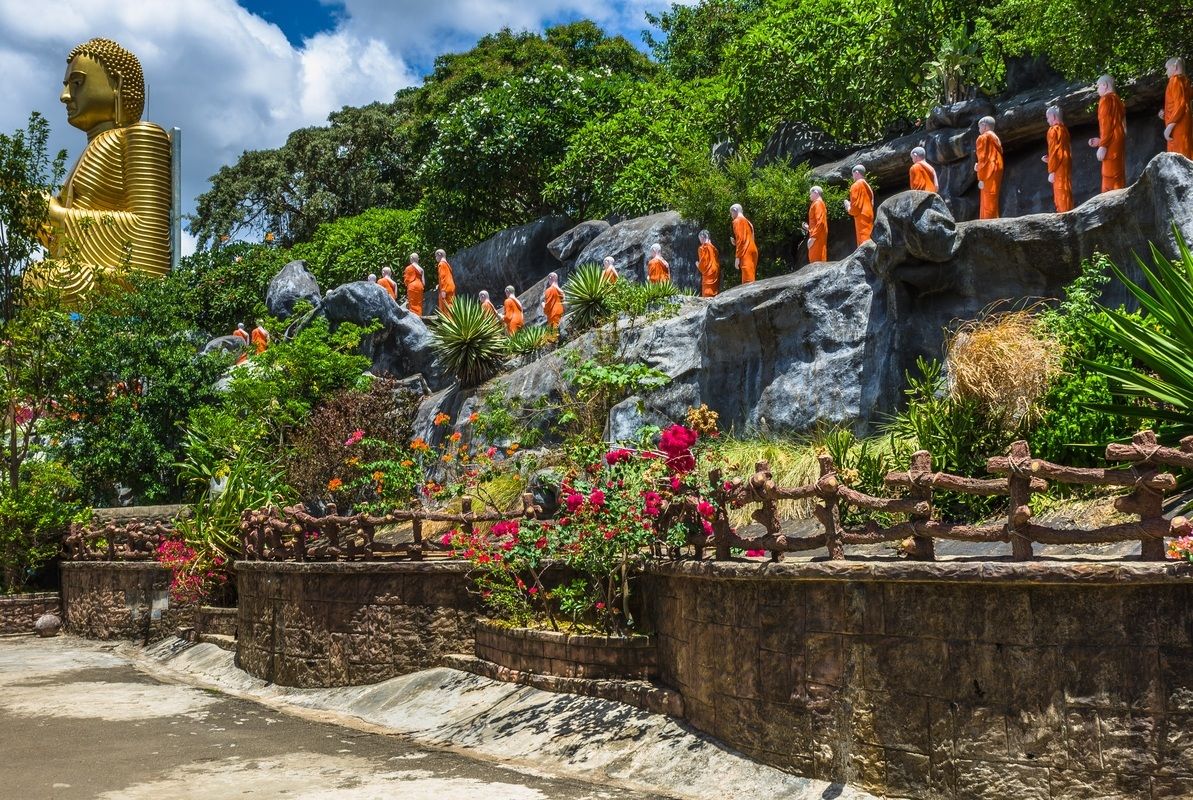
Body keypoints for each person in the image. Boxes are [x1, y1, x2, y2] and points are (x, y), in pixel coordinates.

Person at [40, 37, 172, 302]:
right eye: (66, 86)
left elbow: (148, 234)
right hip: (85, 273)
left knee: (39, 279)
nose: (65, 96)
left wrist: (54, 215)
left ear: (117, 83)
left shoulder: (141, 136)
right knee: (37, 276)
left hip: (132, 286)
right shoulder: (88, 150)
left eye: (77, 84)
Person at [1089, 75, 1126, 192]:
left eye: (1098, 86)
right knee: (1119, 175)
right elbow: (1122, 128)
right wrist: (1100, 141)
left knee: (1109, 179)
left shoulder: (1105, 100)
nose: (1098, 90)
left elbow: (1107, 125)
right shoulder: (1118, 100)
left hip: (1110, 146)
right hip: (1118, 142)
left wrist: (1103, 145)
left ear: (1104, 85)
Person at [1041, 105, 1074, 212]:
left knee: (1060, 191)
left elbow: (1055, 150)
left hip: (1058, 166)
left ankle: (1064, 214)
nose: (1047, 120)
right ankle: (1068, 210)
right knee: (1066, 189)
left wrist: (1051, 170)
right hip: (1065, 164)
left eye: (1047, 118)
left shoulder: (1053, 130)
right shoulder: (1065, 130)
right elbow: (1062, 151)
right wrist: (1050, 159)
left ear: (1054, 117)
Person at [1161, 57, 1192, 159]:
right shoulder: (1186, 82)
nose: (1166, 72)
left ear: (1174, 67)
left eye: (1167, 68)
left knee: (1179, 158)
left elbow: (1180, 105)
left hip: (1177, 126)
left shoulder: (1175, 81)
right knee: (1187, 155)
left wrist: (1169, 127)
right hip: (1184, 122)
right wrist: (1165, 114)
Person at [975, 117, 1004, 219]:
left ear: (984, 126)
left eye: (979, 126)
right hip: (998, 167)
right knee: (993, 196)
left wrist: (980, 174)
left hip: (988, 170)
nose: (979, 129)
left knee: (987, 198)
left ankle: (987, 223)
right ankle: (994, 218)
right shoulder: (996, 139)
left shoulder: (983, 138)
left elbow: (982, 158)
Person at [844, 165, 875, 244]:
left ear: (857, 173)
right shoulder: (868, 186)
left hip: (862, 216)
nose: (853, 177)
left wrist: (848, 206)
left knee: (863, 241)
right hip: (869, 214)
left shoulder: (856, 185)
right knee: (870, 237)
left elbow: (855, 208)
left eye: (853, 174)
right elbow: (872, 202)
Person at [729, 204, 758, 284]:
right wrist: (736, 242)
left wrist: (737, 257)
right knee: (751, 275)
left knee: (747, 279)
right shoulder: (748, 222)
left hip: (746, 251)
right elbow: (750, 238)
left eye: (731, 213)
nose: (731, 216)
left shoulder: (737, 221)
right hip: (753, 249)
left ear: (735, 210)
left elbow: (741, 240)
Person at [802, 186, 828, 264]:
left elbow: (821, 222)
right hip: (817, 236)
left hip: (817, 238)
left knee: (816, 262)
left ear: (816, 192)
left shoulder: (818, 203)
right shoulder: (818, 203)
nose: (809, 196)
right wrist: (808, 227)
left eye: (810, 193)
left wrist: (813, 238)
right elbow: (818, 223)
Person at [696, 230, 719, 297]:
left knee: (707, 292)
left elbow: (703, 264)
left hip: (708, 272)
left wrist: (698, 265)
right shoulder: (714, 248)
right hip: (715, 270)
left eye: (700, 239)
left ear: (702, 237)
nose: (700, 241)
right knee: (714, 290)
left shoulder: (702, 248)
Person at [435, 249, 455, 314]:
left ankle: (447, 322)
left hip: (446, 288)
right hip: (450, 287)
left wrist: (443, 290)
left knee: (446, 307)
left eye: (436, 256)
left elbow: (442, 277)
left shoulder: (441, 264)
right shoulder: (447, 264)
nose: (436, 258)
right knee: (450, 305)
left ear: (439, 255)